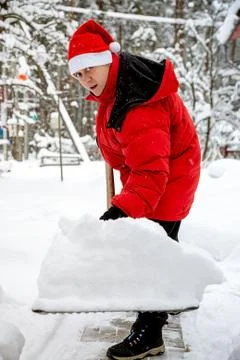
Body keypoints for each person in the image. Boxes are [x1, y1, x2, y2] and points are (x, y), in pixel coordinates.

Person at [68, 19, 201, 360]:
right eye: (78, 74)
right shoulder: (119, 89)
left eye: (89, 69)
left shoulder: (137, 100)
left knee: (150, 254)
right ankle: (167, 298)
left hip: (167, 180)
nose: (85, 79)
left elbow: (151, 169)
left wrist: (122, 209)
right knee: (159, 247)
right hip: (156, 177)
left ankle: (150, 332)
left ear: (108, 59)